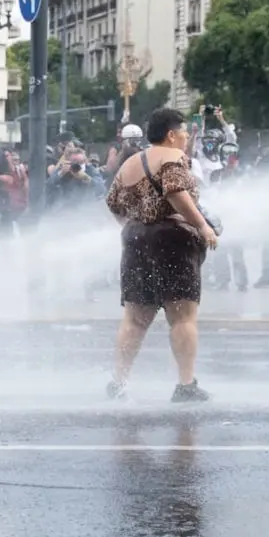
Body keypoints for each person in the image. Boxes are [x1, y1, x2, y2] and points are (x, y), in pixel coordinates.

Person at [105, 108, 218, 402]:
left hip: (135, 240)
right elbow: (175, 192)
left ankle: (118, 383)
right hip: (172, 240)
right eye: (183, 133)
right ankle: (185, 386)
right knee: (182, 317)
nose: (186, 139)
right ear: (171, 134)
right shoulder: (172, 158)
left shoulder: (130, 162)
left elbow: (113, 203)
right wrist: (202, 226)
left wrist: (136, 227)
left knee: (135, 318)